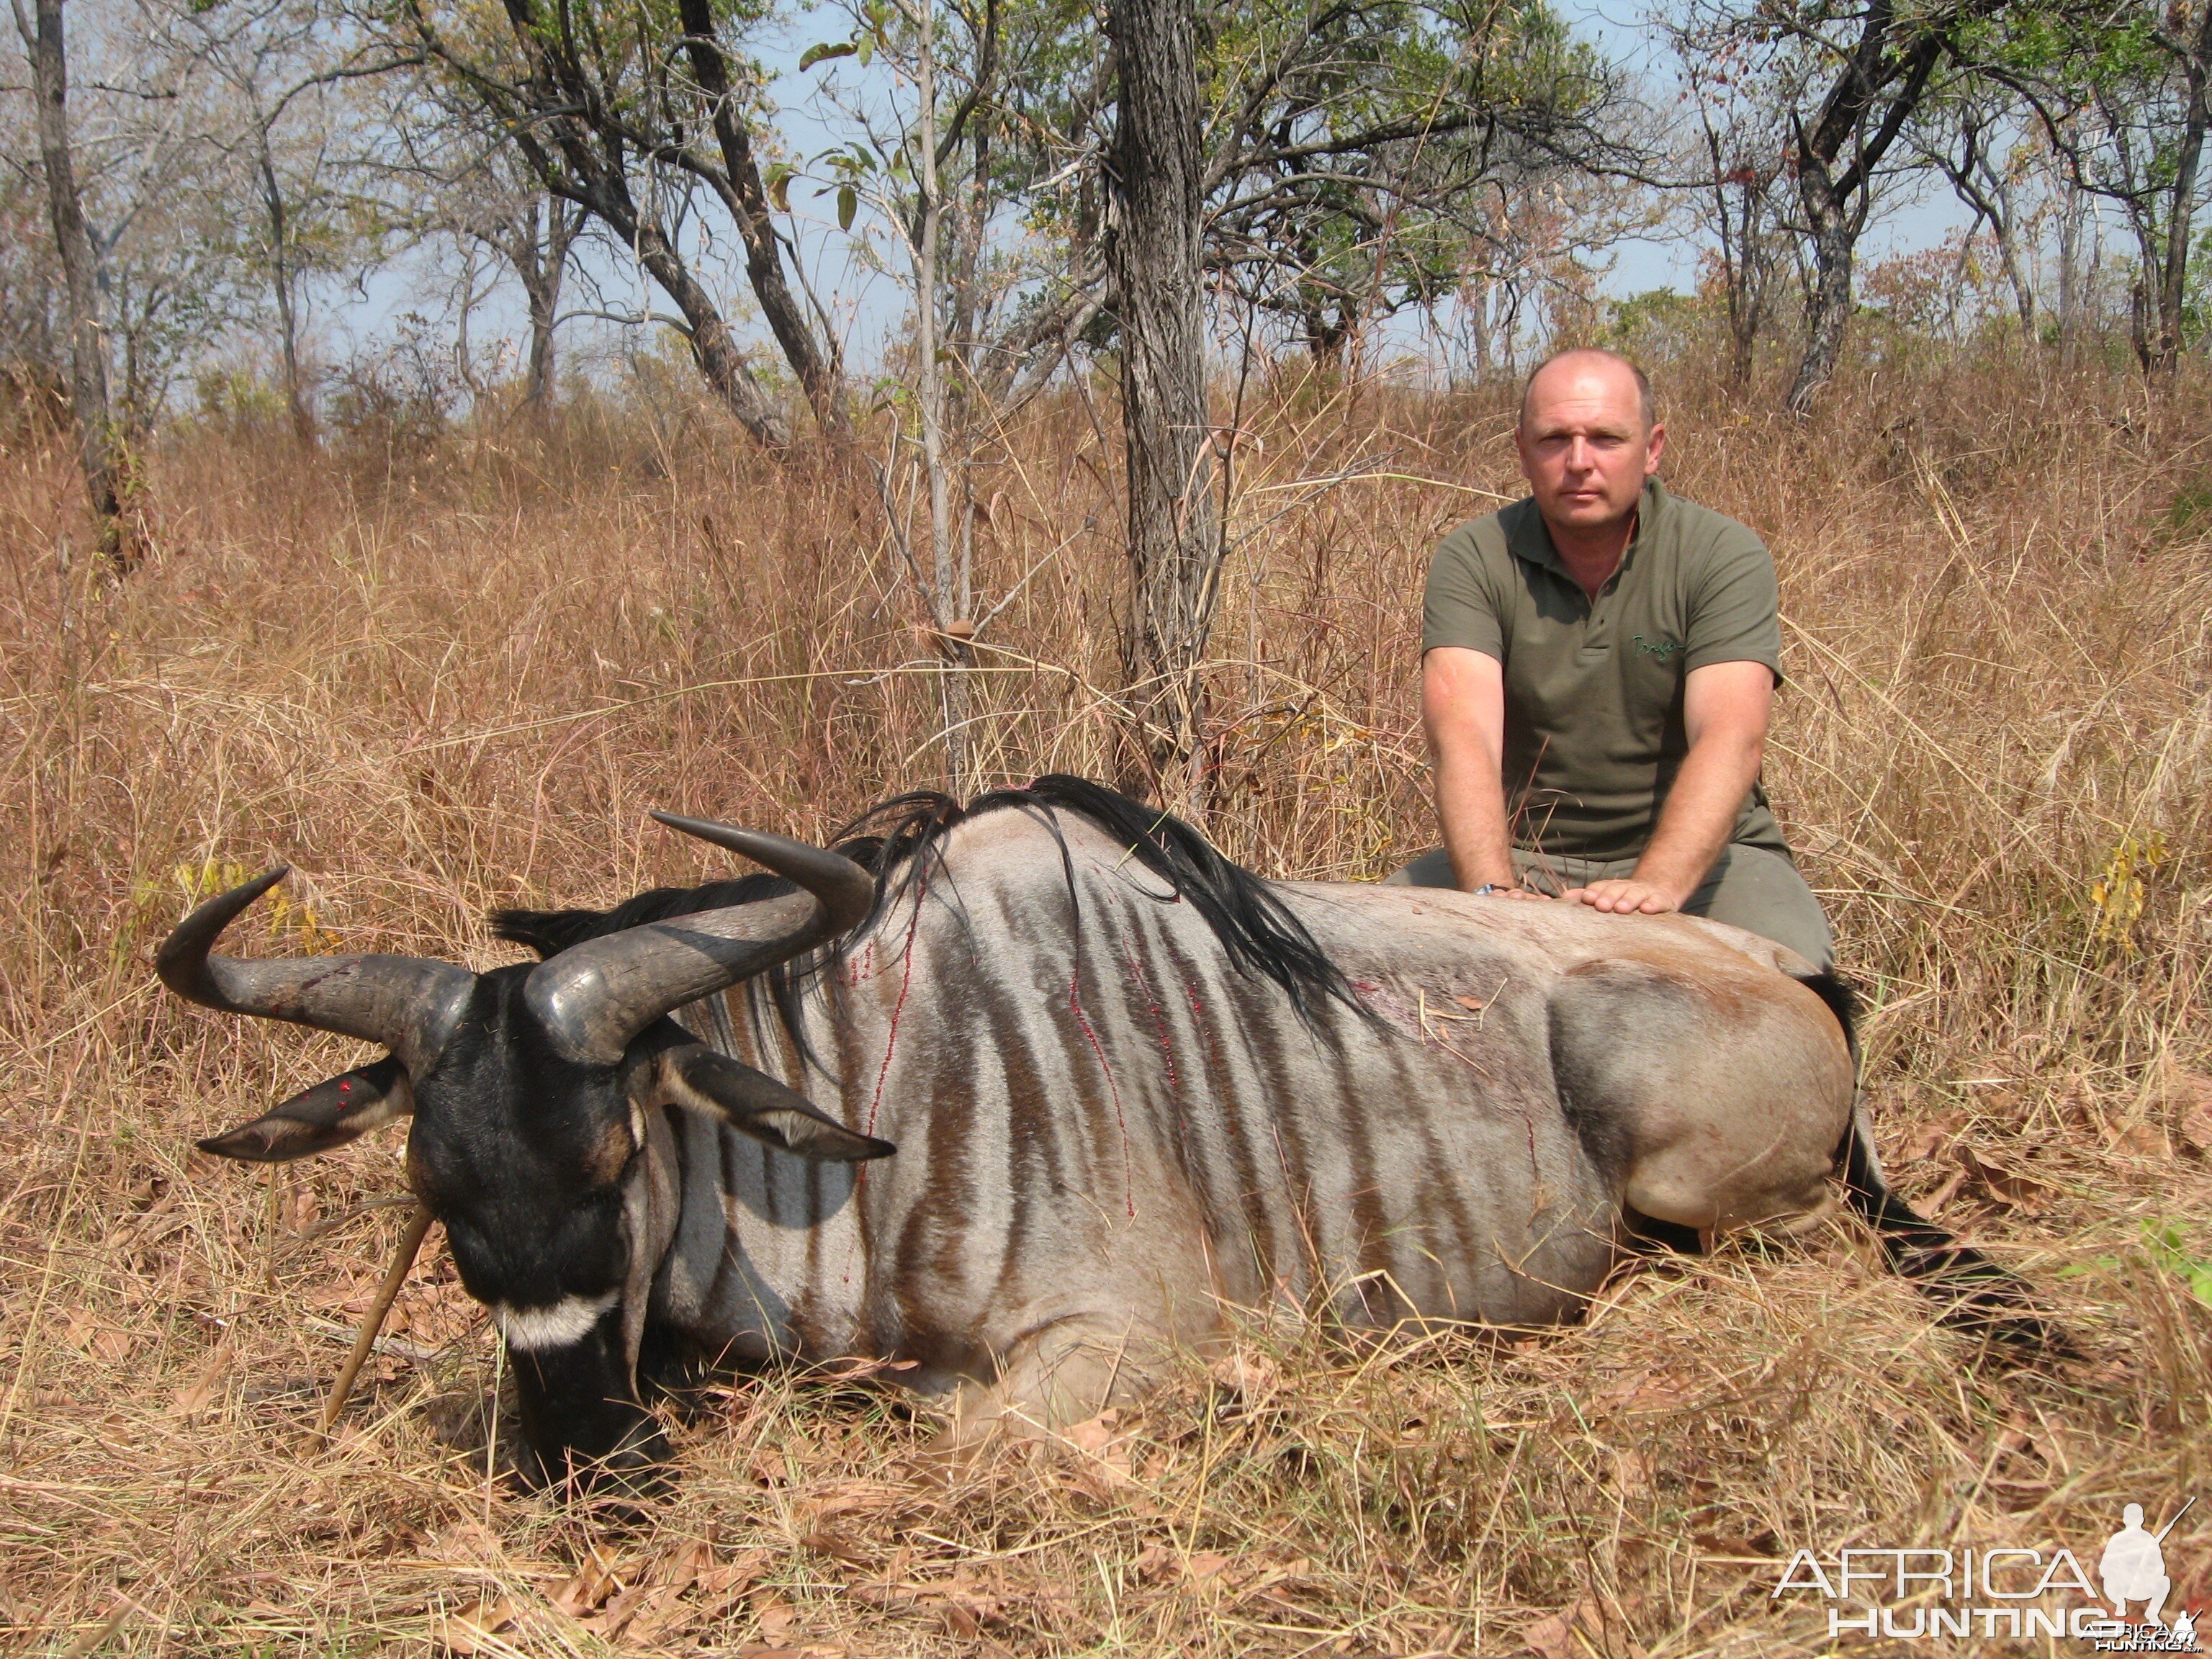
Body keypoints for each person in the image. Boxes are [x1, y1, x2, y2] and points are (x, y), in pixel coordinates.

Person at [1388, 347, 1834, 971]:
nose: (1578, 462)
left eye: (1605, 438)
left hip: (1704, 864)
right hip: (1525, 860)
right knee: (1361, 973)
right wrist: (1490, 895)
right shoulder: (1474, 557)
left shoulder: (1720, 554)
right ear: (1522, 451)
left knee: (1798, 990)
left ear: (1652, 449)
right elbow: (1463, 736)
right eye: (1554, 440)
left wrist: (1656, 888)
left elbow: (1731, 737)